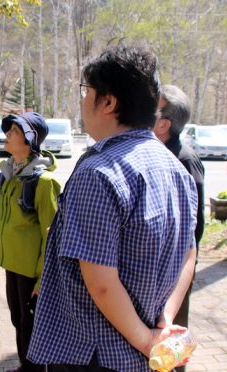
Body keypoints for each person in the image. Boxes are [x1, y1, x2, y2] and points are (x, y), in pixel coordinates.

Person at [28, 44, 198, 371]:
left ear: (108, 101)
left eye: (85, 90)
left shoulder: (98, 173)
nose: (81, 100)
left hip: (94, 355)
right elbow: (188, 254)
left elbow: (101, 283)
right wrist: (163, 320)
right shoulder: (176, 169)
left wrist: (148, 340)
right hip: (146, 349)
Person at [0, 112, 61, 372]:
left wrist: (43, 279)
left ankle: (33, 370)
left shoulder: (43, 181)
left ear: (29, 141)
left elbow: (51, 235)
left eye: (15, 132)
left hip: (32, 272)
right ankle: (25, 367)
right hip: (12, 264)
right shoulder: (9, 173)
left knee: (31, 325)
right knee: (18, 319)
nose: (7, 135)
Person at [153, 85, 205, 372]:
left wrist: (181, 266)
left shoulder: (184, 159)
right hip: (160, 268)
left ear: (165, 124)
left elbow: (194, 225)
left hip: (176, 269)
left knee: (173, 334)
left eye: (153, 108)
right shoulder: (156, 152)